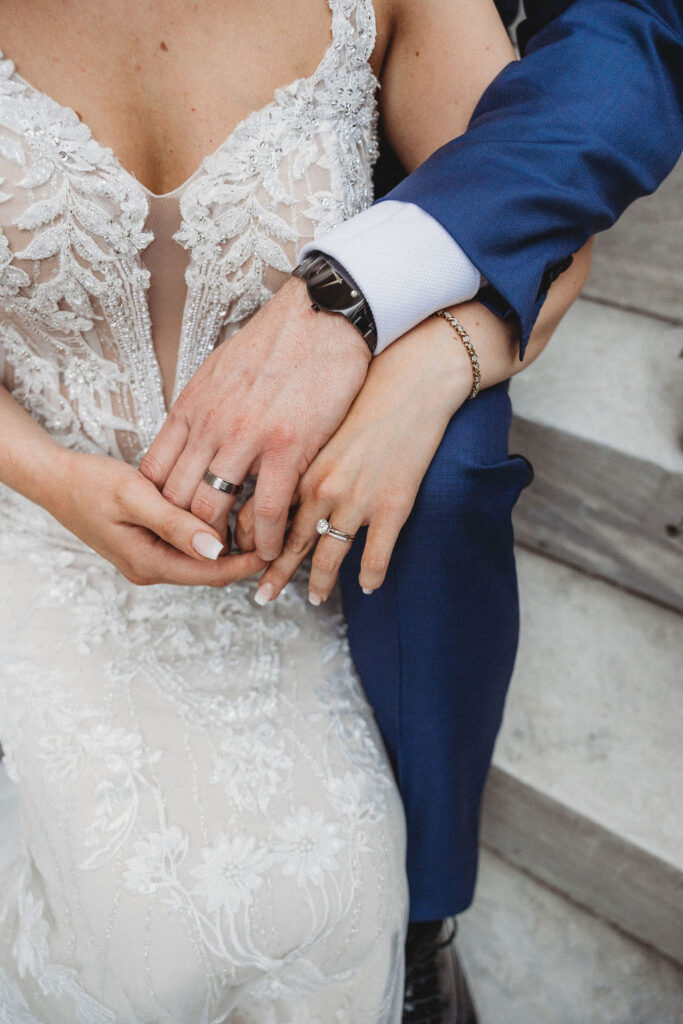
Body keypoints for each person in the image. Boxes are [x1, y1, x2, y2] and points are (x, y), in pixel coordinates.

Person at [0, 0, 593, 1020]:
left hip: (294, 590)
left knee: (329, 908)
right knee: (121, 941)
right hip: (45, 548)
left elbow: (542, 227)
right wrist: (51, 478)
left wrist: (426, 370)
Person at [139, 0, 683, 1018]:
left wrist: (424, 349)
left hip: (459, 143)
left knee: (437, 479)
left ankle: (427, 912)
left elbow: (617, 52)